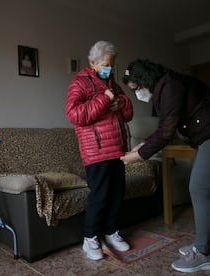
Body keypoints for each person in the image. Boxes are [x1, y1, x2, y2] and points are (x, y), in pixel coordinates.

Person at [121, 59, 210, 272]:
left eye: (137, 88)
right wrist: (139, 148)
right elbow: (162, 129)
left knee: (199, 188)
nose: (138, 94)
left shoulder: (170, 86)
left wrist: (134, 156)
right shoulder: (165, 87)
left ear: (145, 80)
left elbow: (165, 133)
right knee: (198, 188)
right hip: (209, 137)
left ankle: (204, 253)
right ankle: (208, 243)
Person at [65, 41, 133, 261]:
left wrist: (120, 103)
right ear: (92, 63)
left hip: (117, 148)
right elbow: (75, 114)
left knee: (116, 193)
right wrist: (105, 99)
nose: (109, 69)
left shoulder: (112, 82)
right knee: (100, 195)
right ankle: (90, 237)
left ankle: (111, 231)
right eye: (106, 64)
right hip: (96, 150)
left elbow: (129, 112)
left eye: (111, 65)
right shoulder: (80, 82)